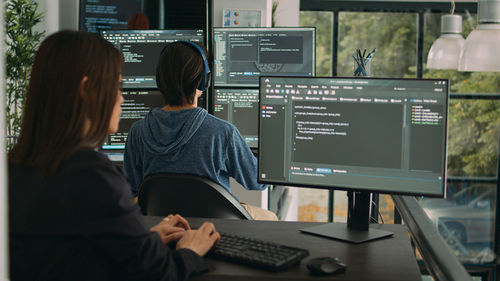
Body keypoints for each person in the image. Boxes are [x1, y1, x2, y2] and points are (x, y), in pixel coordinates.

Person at [8, 30, 220, 281]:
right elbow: (160, 273)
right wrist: (190, 250)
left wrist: (144, 239)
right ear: (88, 89)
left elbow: (74, 252)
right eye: (117, 86)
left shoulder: (13, 167)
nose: (121, 98)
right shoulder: (92, 174)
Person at [123, 41, 277, 220]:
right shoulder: (222, 133)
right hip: (215, 227)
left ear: (160, 79)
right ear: (204, 80)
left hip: (164, 225)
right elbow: (256, 182)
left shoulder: (137, 132)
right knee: (271, 218)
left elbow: (133, 191)